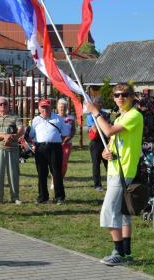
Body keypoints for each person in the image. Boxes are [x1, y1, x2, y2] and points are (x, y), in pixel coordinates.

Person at [86, 82, 143, 266]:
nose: (120, 98)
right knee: (123, 212)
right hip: (114, 169)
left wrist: (96, 113)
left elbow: (108, 130)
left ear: (132, 96)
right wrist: (106, 153)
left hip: (123, 170)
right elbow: (112, 141)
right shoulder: (120, 117)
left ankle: (117, 252)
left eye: (124, 94)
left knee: (109, 211)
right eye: (117, 95)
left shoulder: (134, 115)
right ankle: (126, 254)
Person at [0, 96, 24, 205]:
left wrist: (12, 136)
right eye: (0, 104)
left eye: (5, 104)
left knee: (13, 174)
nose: (3, 106)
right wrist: (4, 136)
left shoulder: (15, 117)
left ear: (8, 105)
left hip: (13, 149)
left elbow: (21, 130)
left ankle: (15, 197)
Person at [29, 99, 65, 204]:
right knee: (41, 173)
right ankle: (43, 197)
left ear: (51, 108)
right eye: (43, 107)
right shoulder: (35, 120)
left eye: (47, 107)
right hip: (40, 148)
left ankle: (59, 197)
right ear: (39, 108)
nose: (45, 110)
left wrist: (60, 142)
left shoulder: (58, 119)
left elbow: (65, 132)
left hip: (55, 147)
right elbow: (31, 135)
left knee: (56, 172)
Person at [87, 96, 110, 191]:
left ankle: (111, 183)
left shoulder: (105, 114)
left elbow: (109, 126)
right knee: (96, 164)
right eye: (98, 103)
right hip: (96, 142)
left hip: (105, 141)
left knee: (108, 164)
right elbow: (94, 129)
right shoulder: (90, 115)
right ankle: (97, 185)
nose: (100, 104)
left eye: (101, 102)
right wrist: (100, 122)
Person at [56, 98, 76, 186]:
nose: (62, 109)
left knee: (64, 163)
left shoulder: (71, 118)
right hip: (56, 143)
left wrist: (68, 137)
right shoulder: (55, 117)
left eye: (63, 107)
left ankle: (60, 179)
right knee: (55, 163)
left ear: (66, 107)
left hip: (67, 143)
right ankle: (54, 181)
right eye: (60, 107)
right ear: (57, 108)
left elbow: (73, 130)